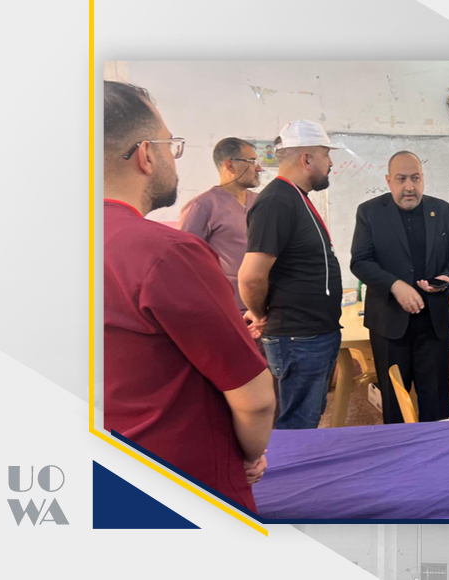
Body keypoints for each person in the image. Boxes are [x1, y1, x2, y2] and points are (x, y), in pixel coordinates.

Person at [103, 81, 275, 512]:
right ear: (146, 154)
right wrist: (250, 454)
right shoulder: (166, 252)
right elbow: (254, 399)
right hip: (182, 476)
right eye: (170, 145)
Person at [238, 120, 344, 430]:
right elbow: (250, 277)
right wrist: (260, 314)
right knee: (297, 425)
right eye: (326, 155)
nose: (331, 163)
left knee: (306, 419)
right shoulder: (276, 201)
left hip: (311, 335)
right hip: (299, 338)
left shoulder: (295, 197)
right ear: (307, 159)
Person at [350, 151, 449, 423]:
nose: (409, 187)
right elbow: (360, 261)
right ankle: (401, 447)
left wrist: (446, 278)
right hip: (389, 323)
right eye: (401, 179)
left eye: (415, 178)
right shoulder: (369, 212)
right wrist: (394, 285)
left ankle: (435, 447)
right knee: (394, 402)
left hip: (433, 321)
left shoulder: (444, 211)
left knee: (436, 400)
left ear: (423, 179)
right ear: (388, 180)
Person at [178, 137, 262, 313]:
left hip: (264, 306)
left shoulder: (261, 203)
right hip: (226, 308)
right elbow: (184, 263)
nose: (259, 168)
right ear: (230, 166)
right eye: (252, 161)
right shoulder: (202, 207)